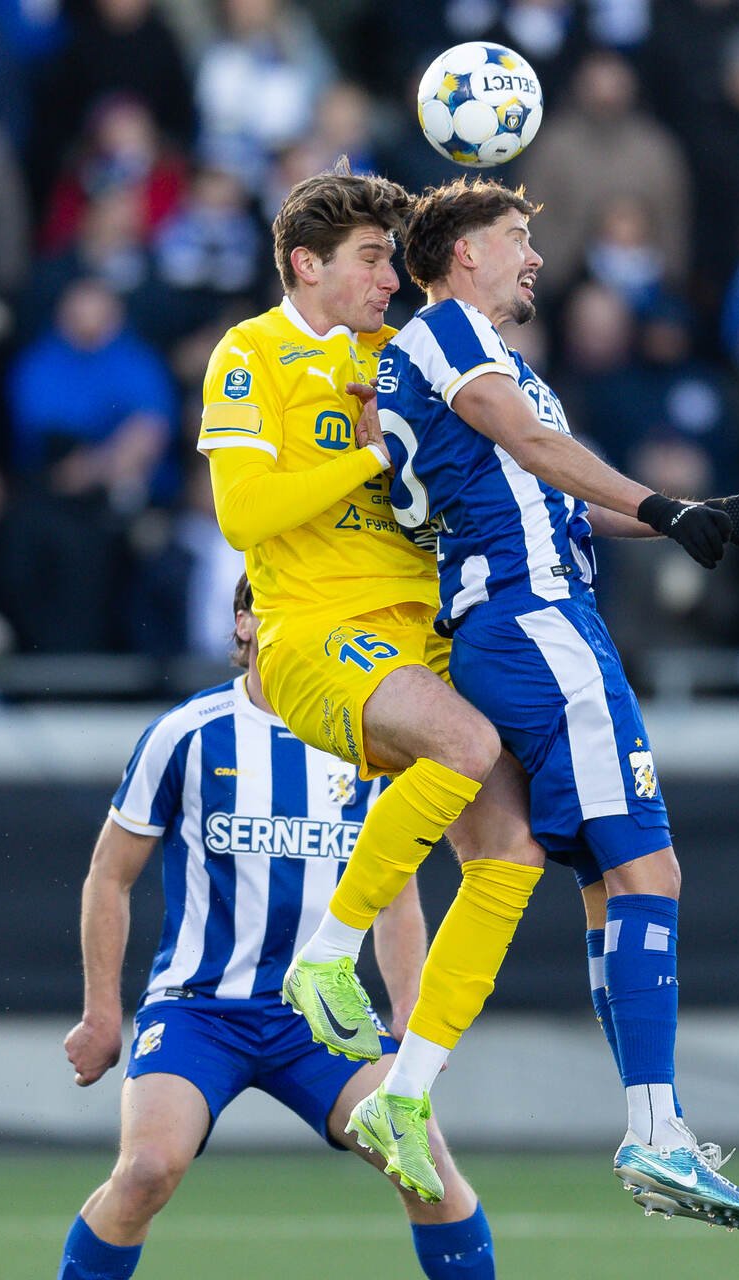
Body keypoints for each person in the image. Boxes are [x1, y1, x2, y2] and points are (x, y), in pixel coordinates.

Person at [362, 176, 739, 1226]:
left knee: (608, 884)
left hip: (530, 616)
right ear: (464, 253)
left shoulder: (483, 356)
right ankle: (655, 1132)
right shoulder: (449, 335)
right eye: (517, 236)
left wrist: (692, 515)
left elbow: (555, 494)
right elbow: (530, 445)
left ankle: (635, 1124)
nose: (535, 257)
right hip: (535, 621)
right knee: (650, 868)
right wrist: (662, 503)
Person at [197, 163, 549, 1214]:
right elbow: (243, 513)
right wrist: (365, 457)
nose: (391, 278)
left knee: (514, 849)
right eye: (369, 259)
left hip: (422, 629)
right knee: (467, 746)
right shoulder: (252, 352)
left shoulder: (397, 357)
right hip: (318, 629)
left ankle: (408, 1088)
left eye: (394, 259)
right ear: (306, 265)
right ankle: (325, 959)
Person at [56, 575, 496, 1280]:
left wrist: (413, 1011)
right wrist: (101, 1013)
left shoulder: (374, 744)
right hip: (201, 1009)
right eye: (276, 606)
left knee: (426, 1172)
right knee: (145, 1170)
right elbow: (110, 875)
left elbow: (395, 897)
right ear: (243, 624)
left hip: (320, 1018)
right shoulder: (187, 734)